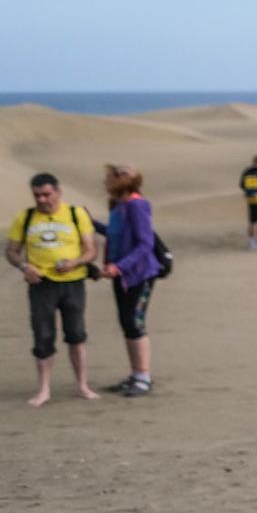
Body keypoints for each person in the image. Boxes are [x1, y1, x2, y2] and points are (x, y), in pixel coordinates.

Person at [6, 173, 101, 406]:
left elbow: (91, 250)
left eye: (46, 194)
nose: (41, 199)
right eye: (37, 195)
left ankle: (82, 385)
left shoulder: (75, 214)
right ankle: (44, 389)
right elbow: (11, 251)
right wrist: (24, 266)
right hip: (41, 285)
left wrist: (75, 262)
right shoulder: (25, 217)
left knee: (76, 334)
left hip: (72, 282)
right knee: (43, 336)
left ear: (58, 193)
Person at [99, 163, 162, 397]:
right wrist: (89, 223)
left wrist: (119, 266)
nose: (113, 178)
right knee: (127, 323)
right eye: (114, 174)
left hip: (140, 275)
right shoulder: (119, 206)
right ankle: (136, 374)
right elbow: (115, 234)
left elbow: (146, 244)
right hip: (122, 276)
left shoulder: (137, 205)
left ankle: (143, 377)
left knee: (135, 324)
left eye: (121, 174)